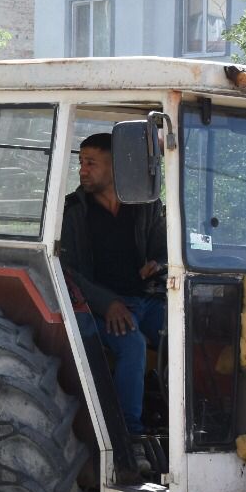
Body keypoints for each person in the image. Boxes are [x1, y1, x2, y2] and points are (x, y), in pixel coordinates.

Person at [59, 133, 167, 471]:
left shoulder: (146, 206)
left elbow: (164, 246)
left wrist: (160, 264)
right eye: (81, 162)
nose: (83, 170)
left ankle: (183, 428)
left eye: (91, 163)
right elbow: (70, 271)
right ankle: (128, 440)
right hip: (96, 308)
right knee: (132, 343)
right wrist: (109, 304)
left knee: (185, 332)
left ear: (115, 166)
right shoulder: (74, 211)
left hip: (147, 299)